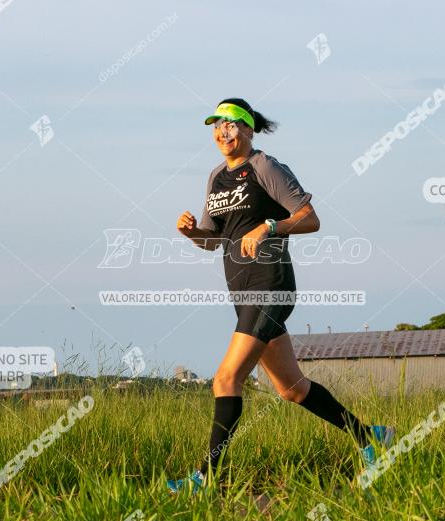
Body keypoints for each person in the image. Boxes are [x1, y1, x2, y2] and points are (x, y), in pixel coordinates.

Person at [168, 98, 394, 493]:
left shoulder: (265, 166)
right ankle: (372, 439)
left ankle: (206, 478)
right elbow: (212, 240)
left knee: (225, 380)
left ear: (249, 128)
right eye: (216, 125)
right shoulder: (216, 177)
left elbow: (310, 218)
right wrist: (191, 233)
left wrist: (270, 227)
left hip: (269, 287)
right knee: (291, 389)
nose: (223, 132)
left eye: (231, 124)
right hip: (242, 293)